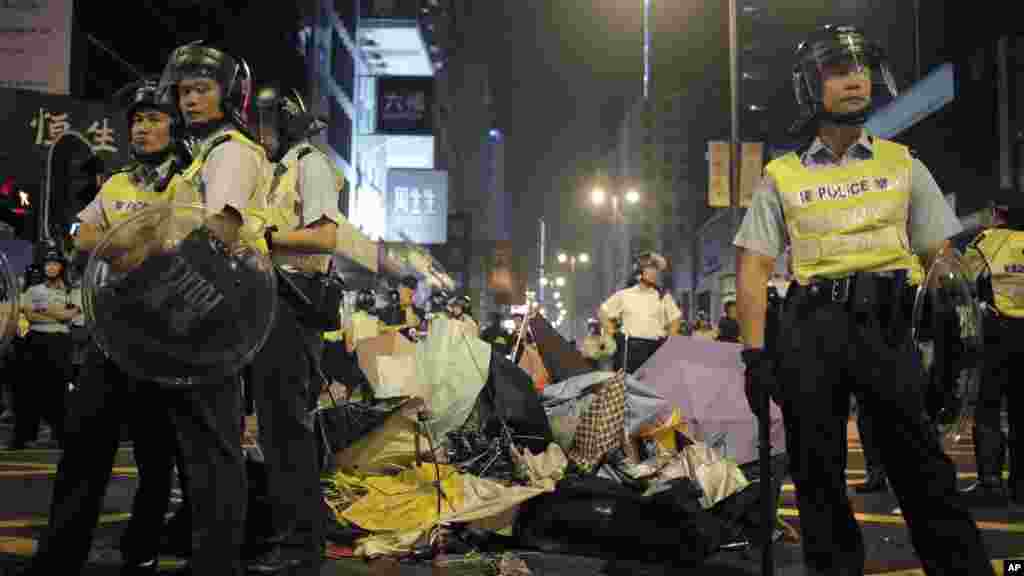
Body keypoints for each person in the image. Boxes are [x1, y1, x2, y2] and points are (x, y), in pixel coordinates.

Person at [734, 25, 993, 575]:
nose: (856, 81)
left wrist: (952, 332)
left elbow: (940, 259)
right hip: (810, 326)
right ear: (809, 86)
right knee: (816, 472)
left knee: (922, 465)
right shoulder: (781, 176)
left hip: (887, 325)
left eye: (861, 70)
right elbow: (753, 265)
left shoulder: (903, 163)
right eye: (838, 71)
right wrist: (753, 354)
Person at [248, 84, 344, 574]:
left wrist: (263, 238)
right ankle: (288, 536)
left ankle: (301, 545)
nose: (261, 134)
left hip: (294, 304)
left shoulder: (310, 164)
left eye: (268, 124)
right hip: (265, 303)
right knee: (273, 428)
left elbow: (325, 237)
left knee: (288, 429)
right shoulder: (272, 171)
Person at [958, 192, 1024, 504]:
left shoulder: (987, 241)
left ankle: (990, 483)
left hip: (997, 332)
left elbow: (963, 281)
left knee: (988, 408)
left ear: (997, 213)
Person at [13, 247, 74, 450]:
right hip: (35, 340)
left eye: (55, 263)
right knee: (29, 390)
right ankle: (23, 436)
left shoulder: (70, 290)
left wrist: (43, 310)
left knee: (58, 391)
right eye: (48, 263)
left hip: (60, 343)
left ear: (62, 267)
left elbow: (68, 316)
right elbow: (29, 316)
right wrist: (56, 312)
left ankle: (62, 436)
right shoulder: (32, 290)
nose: (51, 267)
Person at [598, 251, 681, 373]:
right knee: (628, 387)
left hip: (656, 349)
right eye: (650, 268)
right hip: (630, 350)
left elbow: (675, 319)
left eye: (656, 269)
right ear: (639, 272)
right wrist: (611, 332)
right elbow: (603, 312)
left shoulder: (663, 296)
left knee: (654, 388)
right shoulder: (624, 295)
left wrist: (668, 340)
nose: (655, 273)